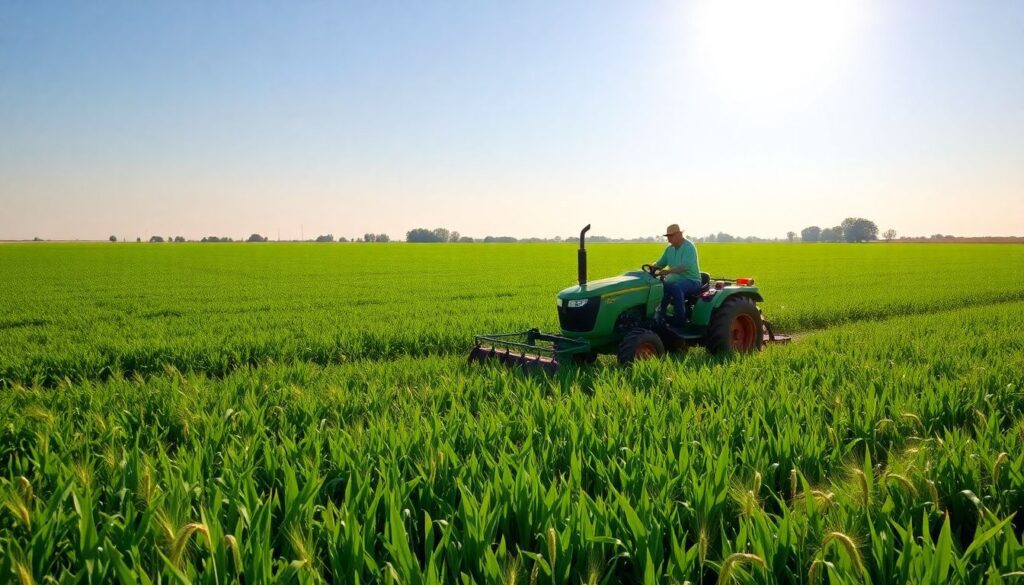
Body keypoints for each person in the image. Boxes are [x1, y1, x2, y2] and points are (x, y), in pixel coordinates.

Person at [651, 224, 702, 326]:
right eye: (668, 236)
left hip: (692, 280)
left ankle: (680, 322)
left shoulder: (689, 247)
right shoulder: (669, 249)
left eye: (671, 236)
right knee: (660, 287)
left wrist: (668, 271)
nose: (668, 239)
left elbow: (684, 266)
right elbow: (660, 263)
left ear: (679, 234)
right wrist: (651, 267)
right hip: (674, 279)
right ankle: (660, 316)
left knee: (676, 288)